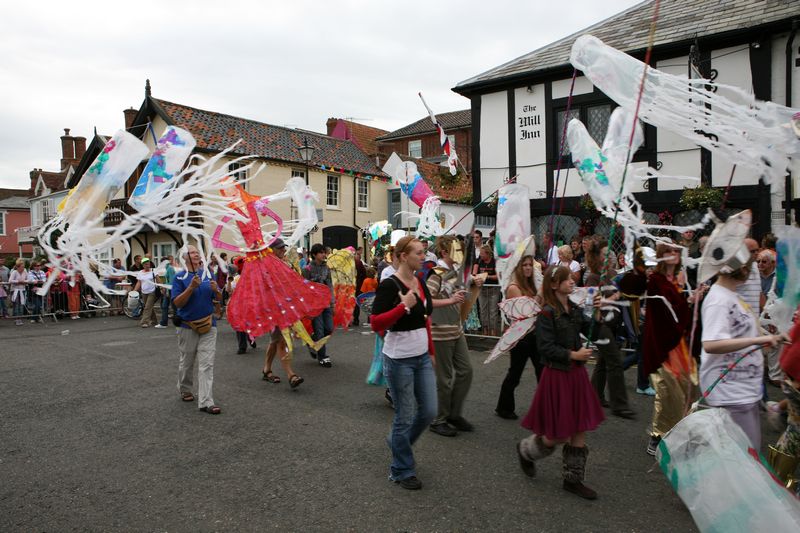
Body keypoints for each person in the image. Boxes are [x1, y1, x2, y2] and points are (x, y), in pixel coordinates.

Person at [516, 265, 604, 500]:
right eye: (567, 280)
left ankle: (573, 480)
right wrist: (573, 355)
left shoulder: (574, 309)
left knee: (579, 427)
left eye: (572, 279)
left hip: (576, 375)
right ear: (554, 285)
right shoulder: (546, 313)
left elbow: (592, 332)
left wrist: (596, 315)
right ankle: (527, 451)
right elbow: (545, 347)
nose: (572, 282)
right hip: (557, 375)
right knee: (557, 435)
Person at [700, 248, 785, 449]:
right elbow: (711, 344)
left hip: (743, 391)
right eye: (750, 265)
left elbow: (741, 333)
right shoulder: (719, 300)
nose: (754, 269)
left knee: (744, 458)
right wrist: (755, 341)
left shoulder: (732, 295)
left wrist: (771, 337)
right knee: (743, 459)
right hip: (730, 393)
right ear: (741, 269)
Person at [370, 236, 436, 490]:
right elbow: (376, 323)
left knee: (429, 410)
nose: (423, 256)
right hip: (399, 359)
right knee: (405, 415)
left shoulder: (419, 281)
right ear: (403, 256)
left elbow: (426, 318)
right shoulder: (389, 285)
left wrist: (430, 350)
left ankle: (399, 443)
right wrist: (402, 307)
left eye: (424, 252)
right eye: (419, 253)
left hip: (421, 357)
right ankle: (401, 469)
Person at [642, 242, 695, 456]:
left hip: (678, 342)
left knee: (685, 386)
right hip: (663, 343)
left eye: (676, 251)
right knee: (666, 389)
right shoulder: (655, 280)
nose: (673, 255)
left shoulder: (679, 279)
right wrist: (687, 300)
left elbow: (678, 309)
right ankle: (656, 436)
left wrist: (689, 297)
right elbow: (666, 310)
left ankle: (678, 433)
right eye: (669, 251)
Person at [426, 235, 471, 437]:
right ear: (444, 252)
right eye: (456, 250)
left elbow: (458, 297)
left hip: (456, 329)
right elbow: (426, 301)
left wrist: (472, 286)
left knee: (466, 371)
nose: (460, 254)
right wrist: (452, 300)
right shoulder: (437, 274)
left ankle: (453, 413)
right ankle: (438, 419)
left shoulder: (454, 272)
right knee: (444, 379)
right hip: (441, 332)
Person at [173, 245, 223, 414]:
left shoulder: (208, 274)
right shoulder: (179, 277)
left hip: (209, 324)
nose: (196, 254)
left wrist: (217, 292)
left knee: (207, 364)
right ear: (184, 257)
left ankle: (206, 401)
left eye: (196, 252)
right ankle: (185, 389)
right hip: (187, 326)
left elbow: (217, 298)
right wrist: (191, 287)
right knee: (187, 362)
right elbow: (177, 303)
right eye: (192, 252)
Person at [495, 253, 542, 420]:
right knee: (515, 373)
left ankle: (544, 407)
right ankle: (504, 407)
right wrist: (540, 295)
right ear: (518, 268)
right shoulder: (514, 287)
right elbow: (527, 312)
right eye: (525, 265)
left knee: (542, 372)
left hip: (536, 335)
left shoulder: (532, 286)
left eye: (530, 264)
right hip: (520, 337)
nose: (528, 268)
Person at [262, 239, 305, 388]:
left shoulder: (283, 264)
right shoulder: (265, 265)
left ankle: (266, 369)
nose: (282, 250)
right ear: (271, 249)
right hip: (273, 309)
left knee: (275, 340)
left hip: (284, 307)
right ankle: (290, 375)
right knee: (282, 340)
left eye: (283, 248)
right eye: (279, 248)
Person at [304, 243, 335, 368]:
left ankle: (312, 340)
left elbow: (330, 286)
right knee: (320, 331)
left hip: (326, 303)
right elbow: (304, 289)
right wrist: (307, 308)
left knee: (329, 328)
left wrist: (332, 303)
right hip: (314, 305)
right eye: (321, 252)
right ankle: (322, 357)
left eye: (324, 252)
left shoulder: (326, 268)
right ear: (314, 254)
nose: (324, 254)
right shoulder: (307, 270)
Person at [473, 244, 500, 336]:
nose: (480, 255)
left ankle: (493, 329)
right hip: (482, 289)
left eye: (482, 253)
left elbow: (498, 276)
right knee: (483, 310)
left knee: (493, 311)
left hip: (493, 289)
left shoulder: (494, 262)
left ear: (488, 254)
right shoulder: (478, 261)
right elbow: (474, 273)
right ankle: (485, 329)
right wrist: (477, 277)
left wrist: (487, 276)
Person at [735, 238, 761, 314]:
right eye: (753, 251)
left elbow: (759, 292)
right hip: (740, 317)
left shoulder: (756, 266)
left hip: (754, 317)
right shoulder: (736, 269)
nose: (756, 253)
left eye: (757, 250)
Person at [133, 257, 159, 328]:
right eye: (146, 264)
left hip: (152, 291)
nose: (148, 265)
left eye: (148, 264)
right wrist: (134, 290)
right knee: (149, 307)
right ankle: (154, 321)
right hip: (144, 292)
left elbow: (158, 279)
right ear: (143, 265)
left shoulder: (153, 271)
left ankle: (144, 322)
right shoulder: (140, 272)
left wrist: (162, 287)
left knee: (147, 307)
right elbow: (139, 282)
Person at [158, 255, 176, 328]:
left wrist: (167, 291)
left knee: (174, 307)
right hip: (168, 290)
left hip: (171, 290)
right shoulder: (167, 268)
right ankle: (163, 323)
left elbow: (171, 282)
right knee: (165, 306)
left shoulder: (170, 269)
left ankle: (179, 322)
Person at [9, 259, 28, 326]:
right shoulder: (14, 272)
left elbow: (28, 279)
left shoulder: (25, 271)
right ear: (18, 267)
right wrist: (18, 281)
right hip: (15, 290)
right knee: (16, 305)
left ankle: (20, 318)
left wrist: (25, 282)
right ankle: (17, 319)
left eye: (23, 266)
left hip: (22, 290)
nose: (23, 268)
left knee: (21, 304)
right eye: (22, 267)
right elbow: (10, 280)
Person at [352, 247, 367, 327]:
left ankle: (349, 320)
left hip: (349, 286)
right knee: (356, 303)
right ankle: (356, 319)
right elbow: (364, 273)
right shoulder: (358, 262)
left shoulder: (347, 264)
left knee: (350, 302)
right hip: (357, 285)